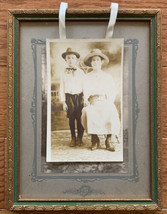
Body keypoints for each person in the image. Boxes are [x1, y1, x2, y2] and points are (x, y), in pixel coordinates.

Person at [81, 49, 120, 151]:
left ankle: (108, 140)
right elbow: (86, 90)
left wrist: (109, 102)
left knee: (111, 111)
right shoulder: (87, 77)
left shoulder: (107, 76)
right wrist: (86, 100)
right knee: (87, 111)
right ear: (90, 62)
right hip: (93, 101)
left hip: (105, 101)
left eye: (97, 60)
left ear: (101, 62)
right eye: (93, 60)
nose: (95, 62)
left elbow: (112, 91)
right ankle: (95, 139)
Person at [60, 48, 85, 147]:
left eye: (73, 58)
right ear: (65, 60)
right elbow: (61, 87)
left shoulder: (81, 72)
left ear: (76, 60)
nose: (70, 60)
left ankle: (80, 138)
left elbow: (84, 86)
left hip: (79, 97)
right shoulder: (63, 73)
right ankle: (73, 138)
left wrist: (85, 98)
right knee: (71, 118)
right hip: (69, 97)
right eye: (68, 58)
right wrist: (63, 102)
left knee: (80, 118)